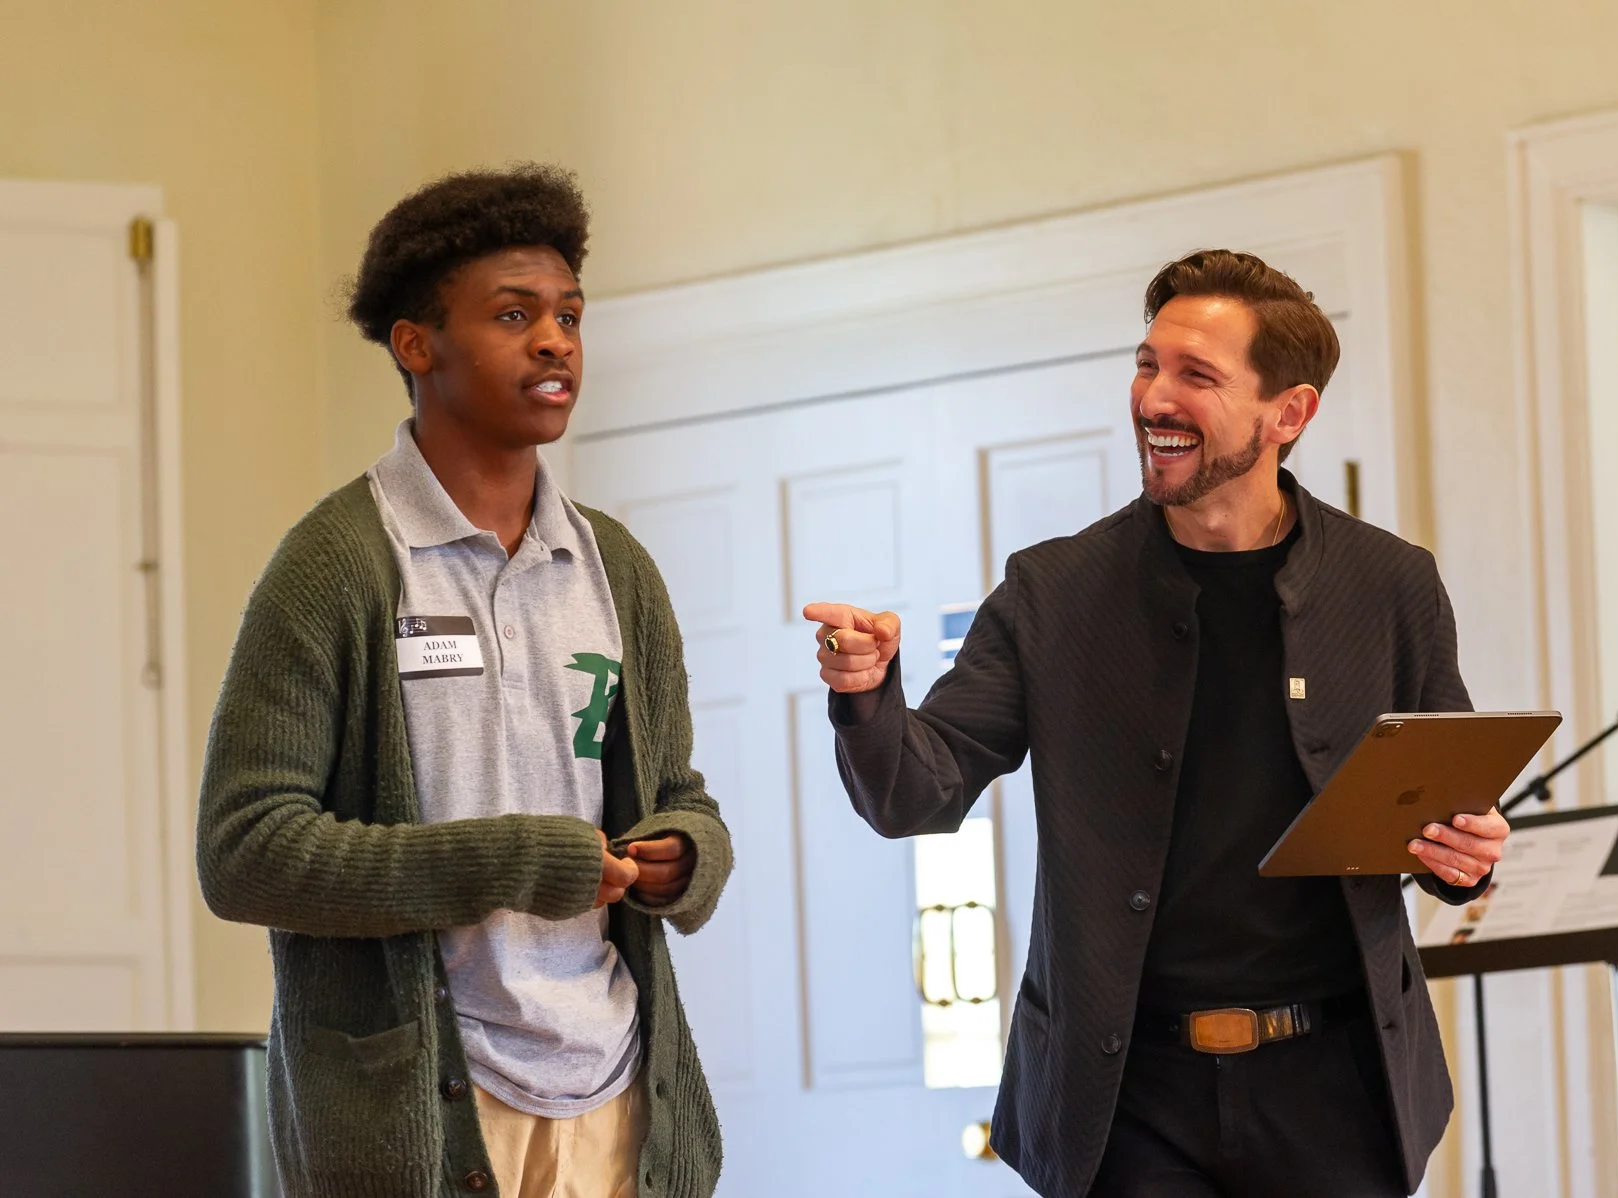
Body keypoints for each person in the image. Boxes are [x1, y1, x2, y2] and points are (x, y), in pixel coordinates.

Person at [804, 249, 1508, 1198]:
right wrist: (867, 692)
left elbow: (1443, 802)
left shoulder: (1390, 584)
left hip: (1337, 1087)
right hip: (1125, 1096)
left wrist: (1463, 851)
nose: (1152, 398)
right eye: (1147, 365)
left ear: (1287, 413)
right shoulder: (1051, 591)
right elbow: (914, 793)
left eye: (1195, 376)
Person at [197, 164, 731, 1198]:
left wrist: (686, 857)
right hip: (418, 1122)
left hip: (619, 1097)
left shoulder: (616, 569)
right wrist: (507, 859)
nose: (556, 341)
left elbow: (680, 793)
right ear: (417, 343)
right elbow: (245, 852)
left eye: (570, 315)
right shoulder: (336, 565)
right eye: (514, 313)